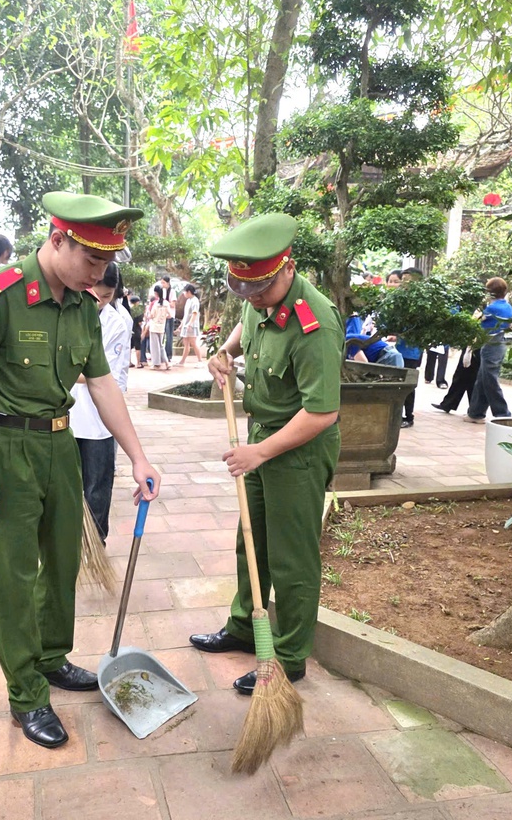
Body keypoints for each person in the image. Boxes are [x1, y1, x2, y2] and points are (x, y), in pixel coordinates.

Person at [0, 191, 161, 750]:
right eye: (92, 259)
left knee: (63, 560)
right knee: (14, 577)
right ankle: (26, 693)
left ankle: (51, 656)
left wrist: (137, 456)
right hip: (5, 447)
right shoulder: (0, 294)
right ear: (58, 240)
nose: (99, 273)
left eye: (107, 262)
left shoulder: (84, 306)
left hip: (61, 445)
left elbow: (102, 383)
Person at [189, 212, 343, 695]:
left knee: (291, 555)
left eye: (260, 289)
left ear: (288, 268)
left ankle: (290, 656)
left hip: (296, 451)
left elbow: (322, 413)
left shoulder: (314, 324)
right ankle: (243, 626)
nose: (252, 298)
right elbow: (246, 325)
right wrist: (225, 353)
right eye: (244, 288)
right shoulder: (259, 298)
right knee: (250, 542)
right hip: (260, 439)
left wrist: (259, 453)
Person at [70, 262, 131, 542]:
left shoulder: (116, 323)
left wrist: (63, 369)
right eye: (95, 294)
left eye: (107, 296)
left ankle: (95, 544)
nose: (100, 301)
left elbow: (107, 378)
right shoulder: (69, 312)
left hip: (98, 421)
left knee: (96, 489)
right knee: (67, 487)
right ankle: (68, 546)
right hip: (66, 419)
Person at [465, 276, 512, 424]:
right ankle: (475, 413)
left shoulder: (491, 308)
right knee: (482, 379)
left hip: (490, 343)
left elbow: (476, 322)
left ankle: (503, 413)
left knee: (489, 380)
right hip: (500, 342)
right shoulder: (507, 306)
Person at [396, 267, 424, 428]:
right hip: (400, 349)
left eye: (408, 280)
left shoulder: (421, 303)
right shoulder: (402, 300)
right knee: (399, 382)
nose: (404, 283)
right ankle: (399, 415)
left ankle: (408, 416)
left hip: (412, 351)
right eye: (403, 280)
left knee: (408, 384)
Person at [177, 284, 203, 365]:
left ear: (188, 292)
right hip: (186, 325)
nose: (184, 294)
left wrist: (190, 324)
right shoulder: (188, 301)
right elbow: (186, 315)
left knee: (193, 343)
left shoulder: (195, 301)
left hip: (192, 325)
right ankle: (182, 361)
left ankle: (200, 361)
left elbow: (194, 313)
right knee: (186, 343)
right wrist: (182, 325)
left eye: (185, 292)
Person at [148, 285, 171, 371]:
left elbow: (151, 315)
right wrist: (163, 317)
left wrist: (149, 316)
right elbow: (170, 315)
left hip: (154, 326)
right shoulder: (166, 303)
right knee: (161, 345)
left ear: (156, 293)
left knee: (155, 346)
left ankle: (156, 364)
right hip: (162, 327)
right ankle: (167, 363)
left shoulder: (156, 304)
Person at [160, 275, 177, 362]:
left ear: (168, 283)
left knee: (169, 336)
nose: (162, 284)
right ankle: (162, 354)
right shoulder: (162, 291)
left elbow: (173, 304)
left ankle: (169, 354)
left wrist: (165, 302)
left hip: (170, 316)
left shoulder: (172, 292)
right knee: (161, 336)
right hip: (162, 315)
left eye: (163, 283)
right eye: (161, 283)